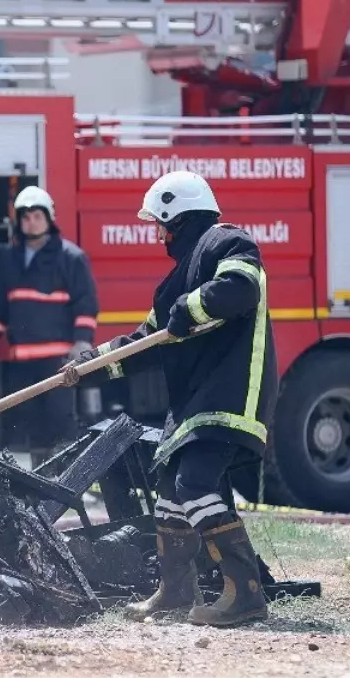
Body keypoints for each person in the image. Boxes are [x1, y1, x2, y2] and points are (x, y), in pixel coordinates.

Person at [61, 170, 275, 628]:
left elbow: (240, 289)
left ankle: (247, 593)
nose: (157, 234)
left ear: (176, 216)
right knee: (169, 493)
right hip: (196, 401)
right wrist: (93, 364)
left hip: (230, 392)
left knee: (195, 484)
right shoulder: (174, 281)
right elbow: (147, 341)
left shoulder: (227, 242)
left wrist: (191, 309)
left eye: (159, 223)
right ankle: (176, 591)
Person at [0, 186, 99, 466]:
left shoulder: (71, 257)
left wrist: (81, 342)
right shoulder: (10, 259)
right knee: (31, 423)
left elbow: (86, 305)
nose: (31, 221)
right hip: (22, 361)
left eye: (36, 216)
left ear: (49, 218)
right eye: (26, 217)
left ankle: (68, 479)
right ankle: (42, 481)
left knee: (60, 421)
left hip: (58, 360)